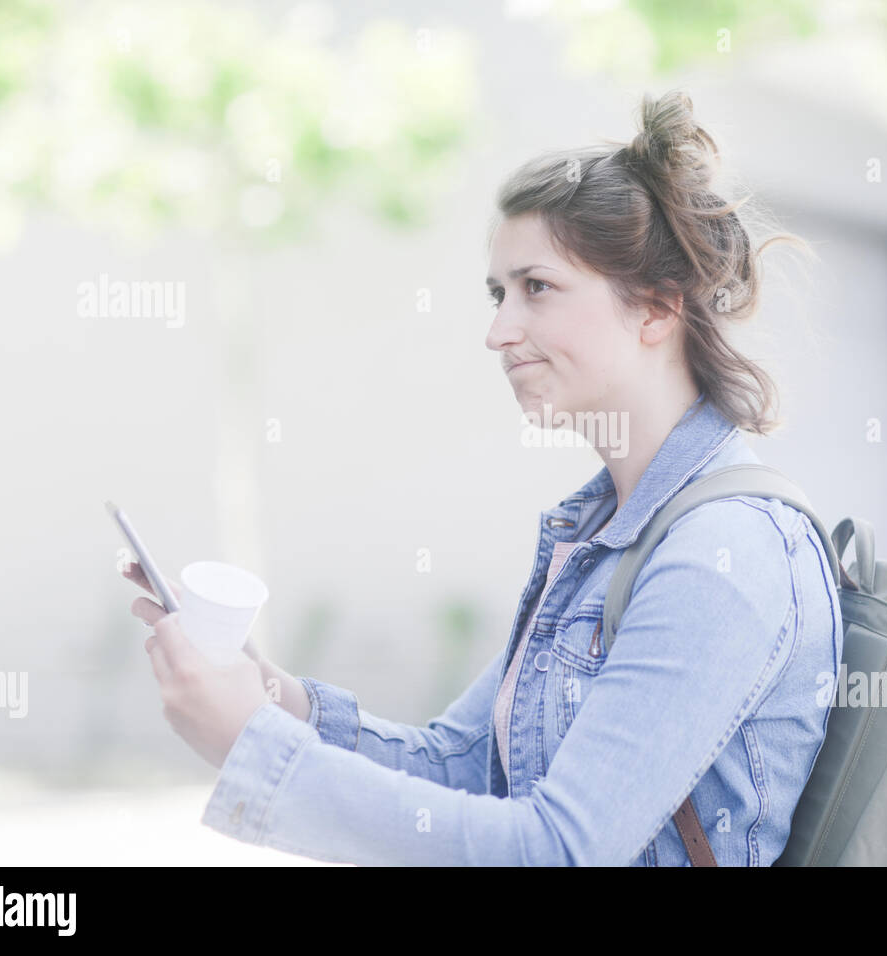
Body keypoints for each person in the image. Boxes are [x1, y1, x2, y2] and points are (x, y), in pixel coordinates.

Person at [125, 89, 842, 866]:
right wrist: (272, 702)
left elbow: (557, 850)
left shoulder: (722, 554)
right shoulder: (607, 533)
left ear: (657, 311)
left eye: (537, 287)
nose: (499, 331)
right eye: (500, 294)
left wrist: (255, 750)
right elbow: (458, 764)